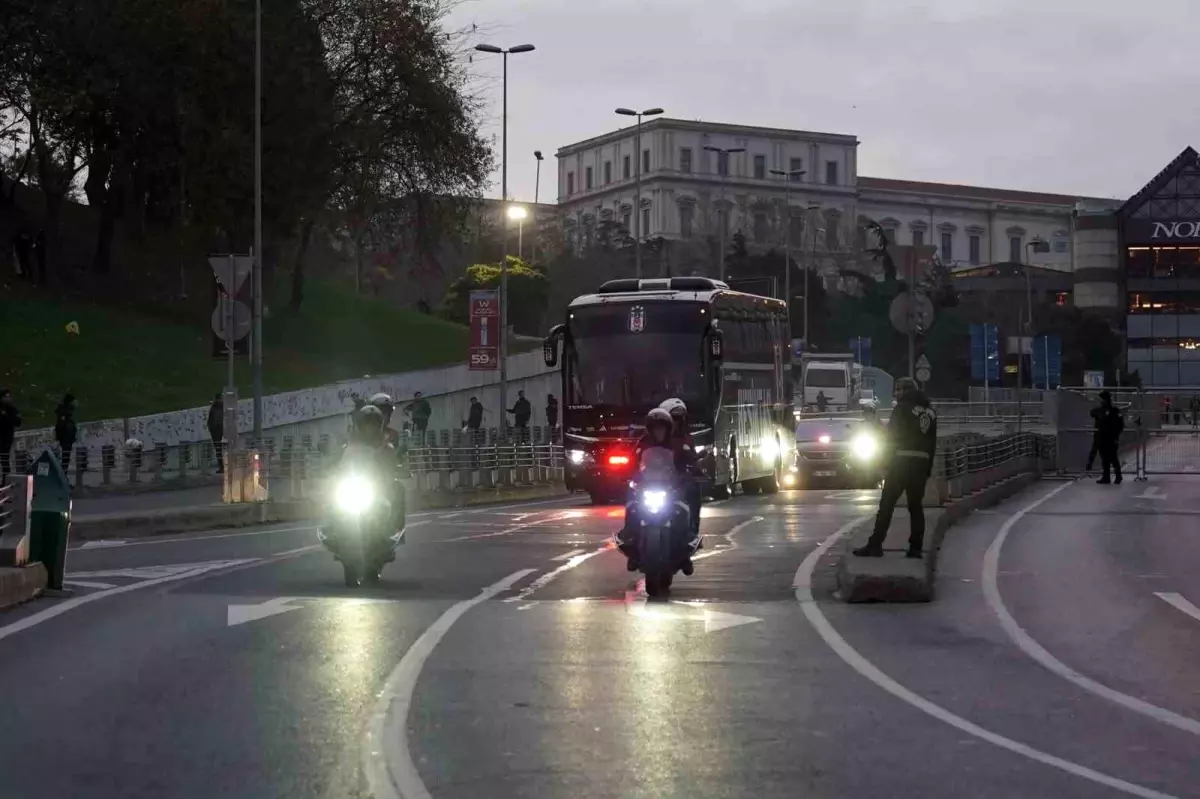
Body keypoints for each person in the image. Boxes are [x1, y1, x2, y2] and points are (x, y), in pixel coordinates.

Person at [854, 377, 938, 559]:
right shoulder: (930, 412)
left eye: (899, 390)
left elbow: (891, 439)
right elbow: (932, 443)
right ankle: (916, 548)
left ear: (906, 390)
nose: (896, 394)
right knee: (915, 507)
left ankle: (875, 545)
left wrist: (883, 465)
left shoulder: (902, 409)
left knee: (887, 505)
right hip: (921, 464)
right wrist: (928, 469)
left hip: (901, 461)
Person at [617, 408, 700, 574]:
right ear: (650, 429)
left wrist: (693, 470)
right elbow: (633, 461)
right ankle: (630, 537)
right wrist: (626, 473)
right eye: (655, 428)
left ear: (668, 428)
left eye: (661, 428)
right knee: (631, 501)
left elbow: (689, 461)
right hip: (647, 486)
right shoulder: (643, 443)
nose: (658, 431)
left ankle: (688, 540)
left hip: (670, 487)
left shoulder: (677, 444)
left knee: (691, 494)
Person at [659, 397, 702, 536]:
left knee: (693, 490)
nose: (677, 422)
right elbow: (639, 455)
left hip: (677, 481)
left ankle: (692, 530)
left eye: (680, 418)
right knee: (631, 496)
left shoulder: (687, 438)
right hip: (654, 480)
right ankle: (630, 530)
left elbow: (693, 459)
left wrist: (697, 470)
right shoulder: (651, 437)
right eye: (674, 418)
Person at [1095, 390, 1125, 485]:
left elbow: (1120, 425)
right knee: (1105, 459)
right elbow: (1092, 413)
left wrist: (1115, 436)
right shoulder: (1101, 411)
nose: (1100, 402)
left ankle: (1118, 476)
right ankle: (1106, 477)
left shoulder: (1114, 411)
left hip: (1111, 438)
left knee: (1113, 458)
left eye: (1101, 400)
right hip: (1103, 438)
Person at [54, 393, 78, 471]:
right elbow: (61, 426)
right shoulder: (64, 412)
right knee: (65, 458)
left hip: (68, 438)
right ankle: (63, 475)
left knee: (66, 458)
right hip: (66, 439)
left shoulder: (67, 413)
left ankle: (64, 474)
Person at [0, 389, 20, 478]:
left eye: (9, 396)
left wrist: (6, 416)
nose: (8, 399)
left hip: (6, 438)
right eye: (6, 396)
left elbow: (18, 422)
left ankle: (5, 480)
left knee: (5, 459)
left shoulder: (12, 409)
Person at [207, 392, 225, 474]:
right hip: (218, 432)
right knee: (219, 450)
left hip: (219, 432)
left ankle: (222, 467)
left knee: (219, 450)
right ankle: (222, 467)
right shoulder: (219, 408)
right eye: (221, 398)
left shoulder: (215, 408)